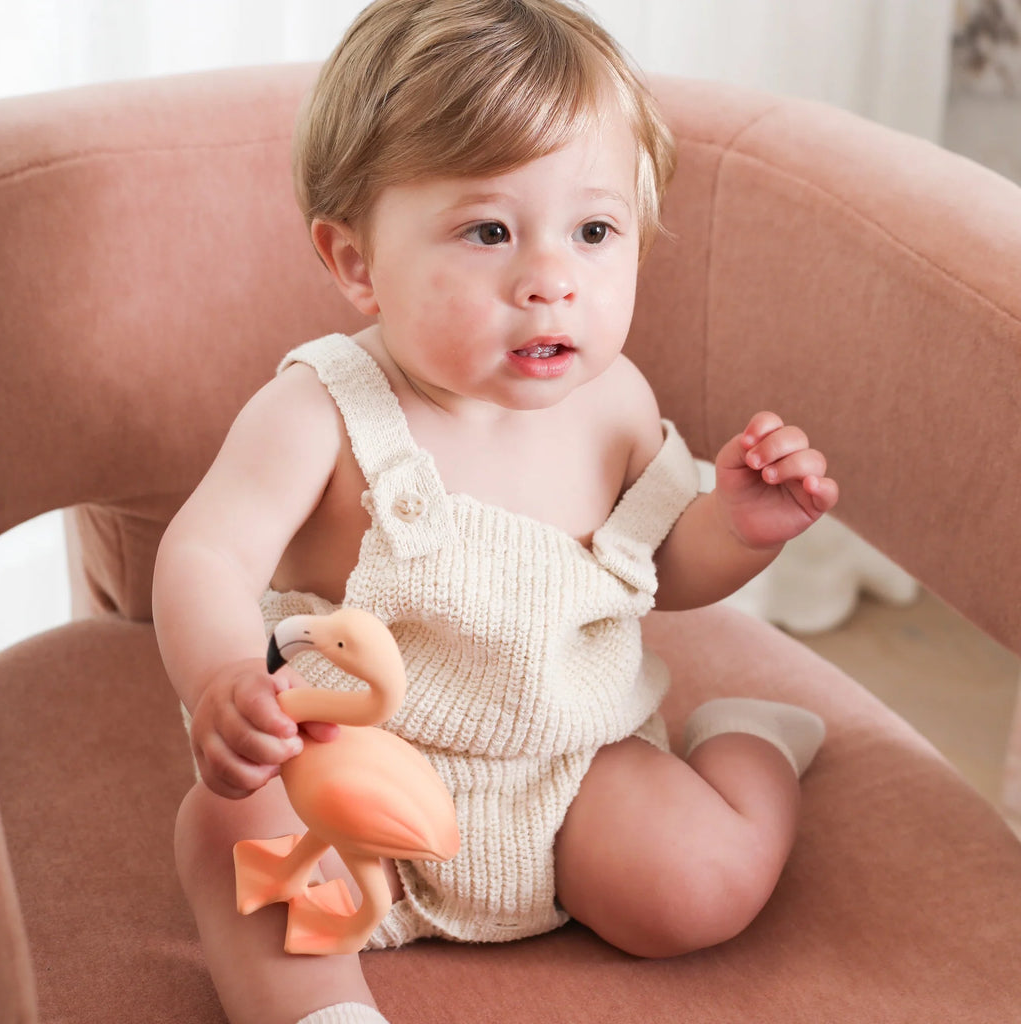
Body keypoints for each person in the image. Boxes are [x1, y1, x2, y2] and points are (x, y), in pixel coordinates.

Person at [152, 1, 839, 1022]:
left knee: (701, 881)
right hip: (352, 777)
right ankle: (323, 1009)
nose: (549, 281)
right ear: (355, 263)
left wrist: (735, 527)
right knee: (228, 833)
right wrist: (218, 677)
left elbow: (661, 567)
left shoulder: (615, 404)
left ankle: (746, 748)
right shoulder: (321, 409)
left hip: (566, 774)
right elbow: (204, 553)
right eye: (488, 231)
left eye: (595, 230)